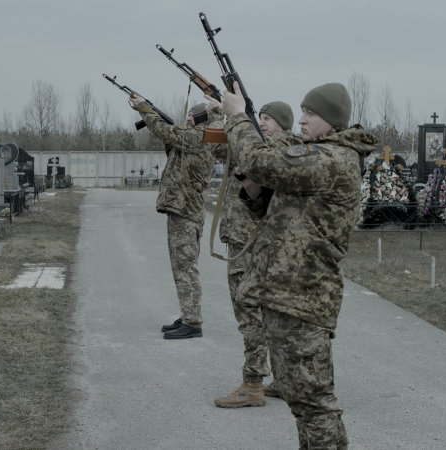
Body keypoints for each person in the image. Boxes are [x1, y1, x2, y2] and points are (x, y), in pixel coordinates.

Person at [212, 82, 377, 449]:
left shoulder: (332, 159)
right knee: (302, 404)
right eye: (301, 112)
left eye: (310, 114)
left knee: (315, 405)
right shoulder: (322, 155)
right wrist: (255, 192)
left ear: (331, 121)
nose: (300, 120)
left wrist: (238, 116)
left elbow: (258, 159)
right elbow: (285, 213)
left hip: (303, 299)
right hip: (287, 295)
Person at [209, 101, 303, 408]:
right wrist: (223, 116)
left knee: (249, 315)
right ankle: (285, 380)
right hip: (256, 243)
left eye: (268, 119)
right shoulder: (271, 149)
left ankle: (252, 384)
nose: (261, 123)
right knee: (271, 316)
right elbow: (218, 151)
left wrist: (235, 119)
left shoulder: (272, 147)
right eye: (258, 118)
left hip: (249, 244)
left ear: (283, 125)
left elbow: (244, 149)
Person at [130, 96, 223, 339]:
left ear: (203, 119)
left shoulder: (200, 138)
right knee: (181, 267)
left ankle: (193, 323)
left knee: (186, 268)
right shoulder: (194, 138)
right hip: (181, 210)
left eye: (194, 116)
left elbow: (163, 130)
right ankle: (188, 315)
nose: (189, 119)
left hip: (186, 211)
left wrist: (144, 109)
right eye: (188, 116)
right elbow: (171, 142)